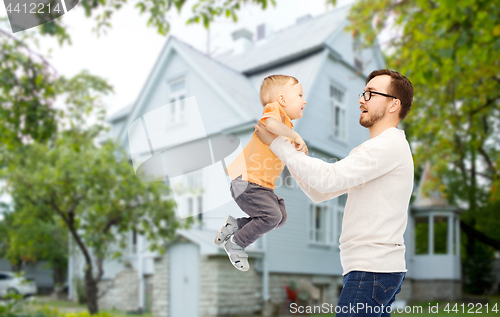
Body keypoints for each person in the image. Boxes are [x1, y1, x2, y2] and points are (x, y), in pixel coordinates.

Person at [255, 69, 414, 316]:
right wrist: (289, 153)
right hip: (377, 270)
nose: (361, 99)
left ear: (394, 104)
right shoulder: (384, 149)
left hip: (370, 271)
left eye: (371, 94)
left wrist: (278, 144)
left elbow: (326, 179)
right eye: (364, 92)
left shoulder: (385, 147)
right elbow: (321, 192)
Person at [215, 74, 307, 272]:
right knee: (271, 217)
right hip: (246, 182)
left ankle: (235, 225)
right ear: (282, 100)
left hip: (262, 187)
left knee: (280, 218)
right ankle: (236, 244)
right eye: (299, 95)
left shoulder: (287, 127)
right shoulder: (274, 111)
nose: (304, 100)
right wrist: (296, 135)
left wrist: (297, 147)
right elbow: (271, 125)